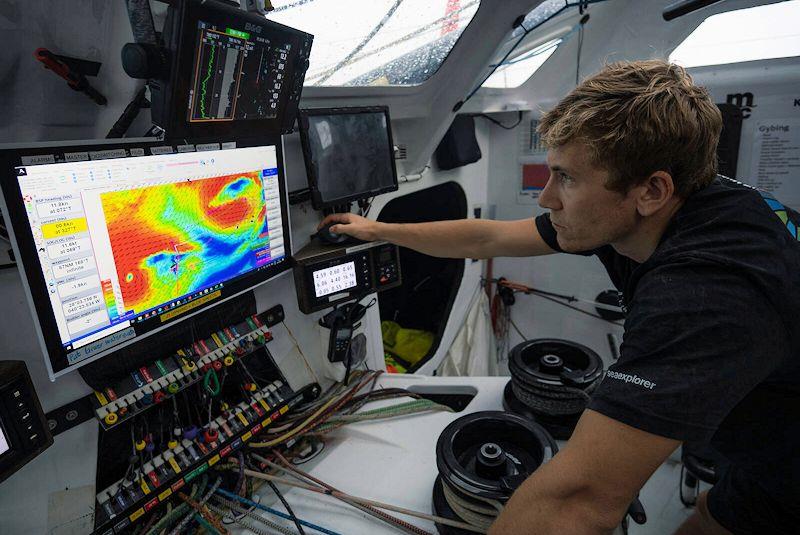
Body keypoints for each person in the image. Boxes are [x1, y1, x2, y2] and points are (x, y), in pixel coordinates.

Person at [319, 60, 800, 534]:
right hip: (764, 455)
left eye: (566, 178)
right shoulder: (677, 204)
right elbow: (487, 238)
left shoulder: (708, 292)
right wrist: (378, 229)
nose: (546, 198)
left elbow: (578, 502)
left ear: (652, 190)